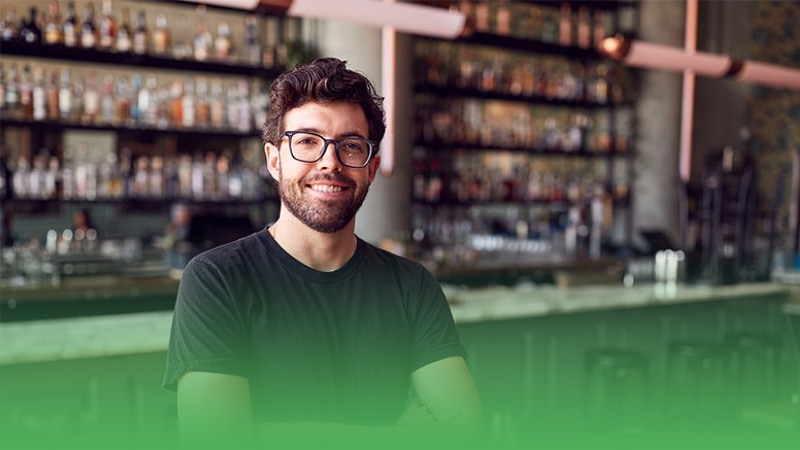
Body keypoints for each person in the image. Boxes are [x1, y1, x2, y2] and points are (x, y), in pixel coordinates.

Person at [162, 57, 483, 449]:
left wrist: (274, 434)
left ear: (371, 167)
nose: (330, 162)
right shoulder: (217, 280)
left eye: (350, 145)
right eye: (307, 142)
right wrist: (400, 436)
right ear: (274, 160)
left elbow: (465, 433)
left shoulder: (412, 286)